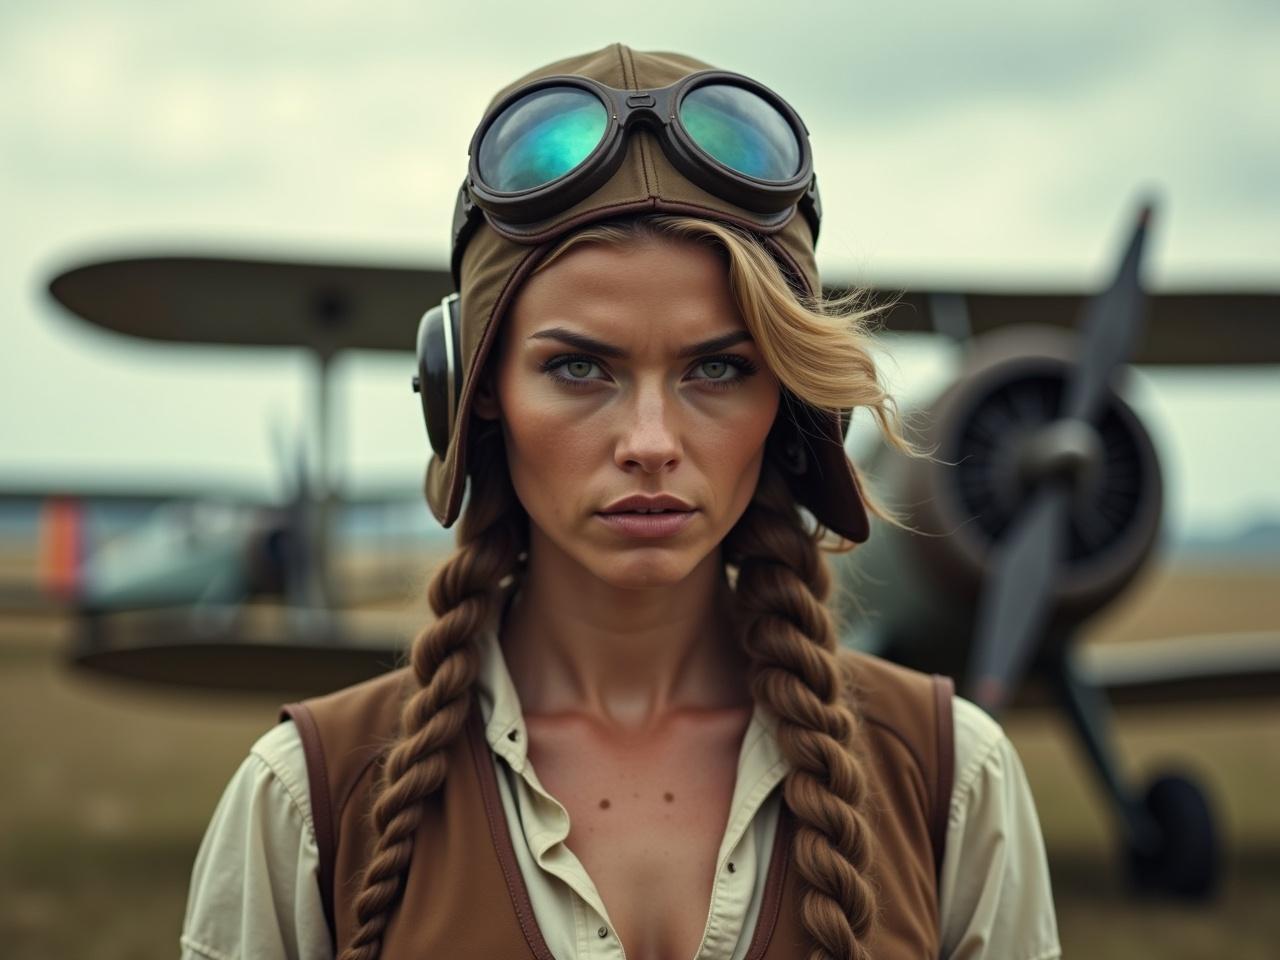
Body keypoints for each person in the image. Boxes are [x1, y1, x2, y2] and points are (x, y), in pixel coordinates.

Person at [181, 43, 1061, 960]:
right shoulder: (306, 805)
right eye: (578, 368)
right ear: (470, 388)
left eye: (718, 368)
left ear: (792, 402)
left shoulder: (954, 783)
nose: (650, 442)